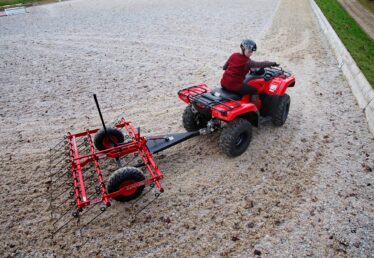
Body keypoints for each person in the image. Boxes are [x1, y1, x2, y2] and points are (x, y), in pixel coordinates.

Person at [220, 39, 278, 107]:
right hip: (234, 86)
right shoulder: (248, 62)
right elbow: (261, 64)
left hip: (223, 83)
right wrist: (273, 63)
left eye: (252, 52)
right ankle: (255, 110)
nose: (250, 54)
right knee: (254, 90)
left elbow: (224, 67)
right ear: (243, 49)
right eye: (249, 51)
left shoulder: (234, 55)